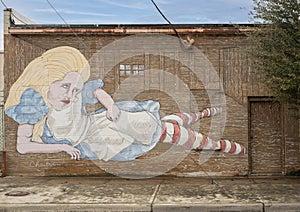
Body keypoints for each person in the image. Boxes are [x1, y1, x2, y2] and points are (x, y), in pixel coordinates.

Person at [4, 46, 245, 162]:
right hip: (94, 141)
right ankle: (207, 128)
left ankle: (215, 140)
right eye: (65, 87)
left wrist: (111, 107)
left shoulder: (80, 92)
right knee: (159, 129)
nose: (71, 94)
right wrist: (63, 148)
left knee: (157, 129)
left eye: (76, 89)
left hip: (103, 124)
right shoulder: (33, 106)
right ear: (47, 81)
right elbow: (23, 147)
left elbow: (97, 92)